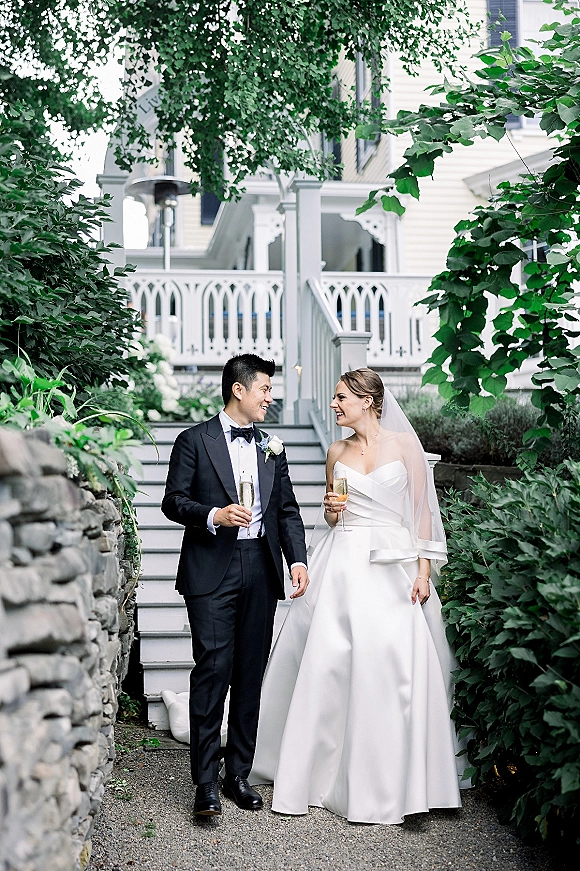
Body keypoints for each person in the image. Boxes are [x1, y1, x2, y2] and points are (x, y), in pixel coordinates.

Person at [251, 368, 466, 824]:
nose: (333, 404)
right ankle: (324, 773)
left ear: (368, 400)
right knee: (333, 666)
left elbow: (423, 512)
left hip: (395, 567)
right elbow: (334, 514)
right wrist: (330, 513)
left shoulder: (405, 447)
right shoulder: (336, 452)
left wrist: (425, 571)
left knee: (394, 669)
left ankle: (403, 781)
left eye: (340, 396)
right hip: (345, 563)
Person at [162, 354, 309, 817]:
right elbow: (172, 501)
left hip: (261, 569)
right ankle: (204, 784)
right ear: (239, 390)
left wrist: (297, 559)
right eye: (265, 389)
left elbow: (286, 509)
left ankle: (237, 775)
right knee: (213, 671)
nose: (271, 397)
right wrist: (213, 516)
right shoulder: (193, 440)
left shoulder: (273, 447)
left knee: (249, 675)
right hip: (211, 569)